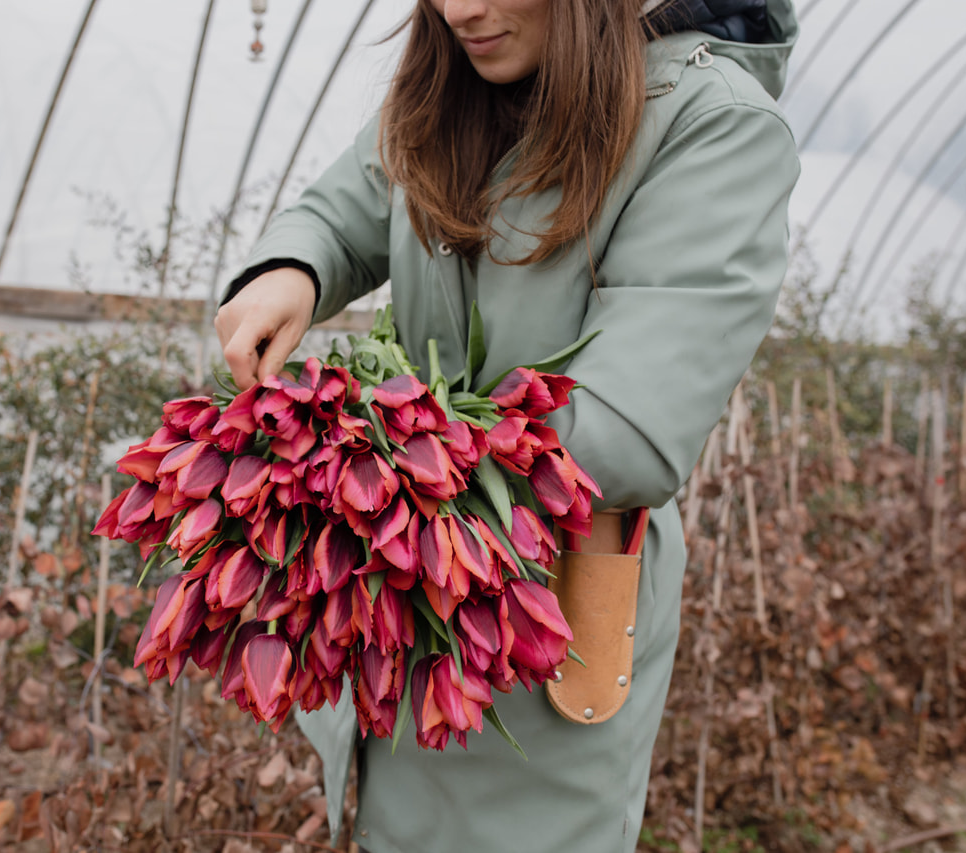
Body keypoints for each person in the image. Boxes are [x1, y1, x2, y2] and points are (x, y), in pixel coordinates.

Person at [213, 0, 799, 850]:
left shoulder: (713, 125)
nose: (460, 10)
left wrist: (357, 467)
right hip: (403, 582)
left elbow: (626, 430)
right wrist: (292, 267)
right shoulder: (464, 82)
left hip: (539, 607)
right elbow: (350, 203)